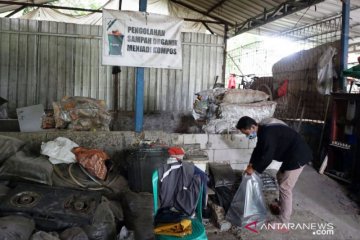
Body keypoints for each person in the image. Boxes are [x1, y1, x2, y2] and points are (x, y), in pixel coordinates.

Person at [236, 116, 312, 225]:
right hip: (289, 155)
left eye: (247, 133)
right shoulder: (262, 129)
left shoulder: (267, 134)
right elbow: (259, 149)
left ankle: (283, 221)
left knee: (285, 187)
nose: (247, 136)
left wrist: (254, 169)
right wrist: (251, 164)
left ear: (253, 126)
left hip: (298, 157)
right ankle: (281, 205)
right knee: (280, 177)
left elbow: (267, 157)